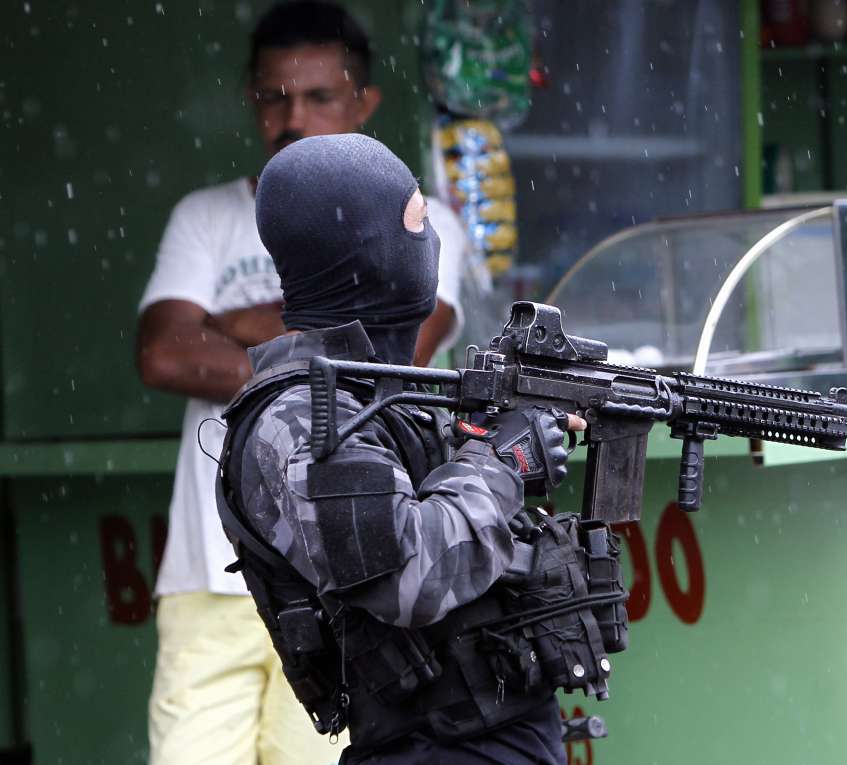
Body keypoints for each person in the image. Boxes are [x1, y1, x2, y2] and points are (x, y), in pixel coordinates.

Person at [216, 133, 619, 763]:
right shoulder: (302, 415)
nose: (429, 242)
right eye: (417, 220)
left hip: (487, 732)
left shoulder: (380, 388)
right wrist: (504, 459)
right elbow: (410, 578)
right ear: (368, 250)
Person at [135, 3, 467, 762]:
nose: (295, 117)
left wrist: (241, 323)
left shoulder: (418, 212)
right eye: (275, 97)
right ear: (252, 102)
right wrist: (312, 347)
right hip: (208, 570)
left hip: (341, 564)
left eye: (320, 97)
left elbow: (394, 354)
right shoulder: (208, 216)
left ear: (365, 103)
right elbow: (163, 354)